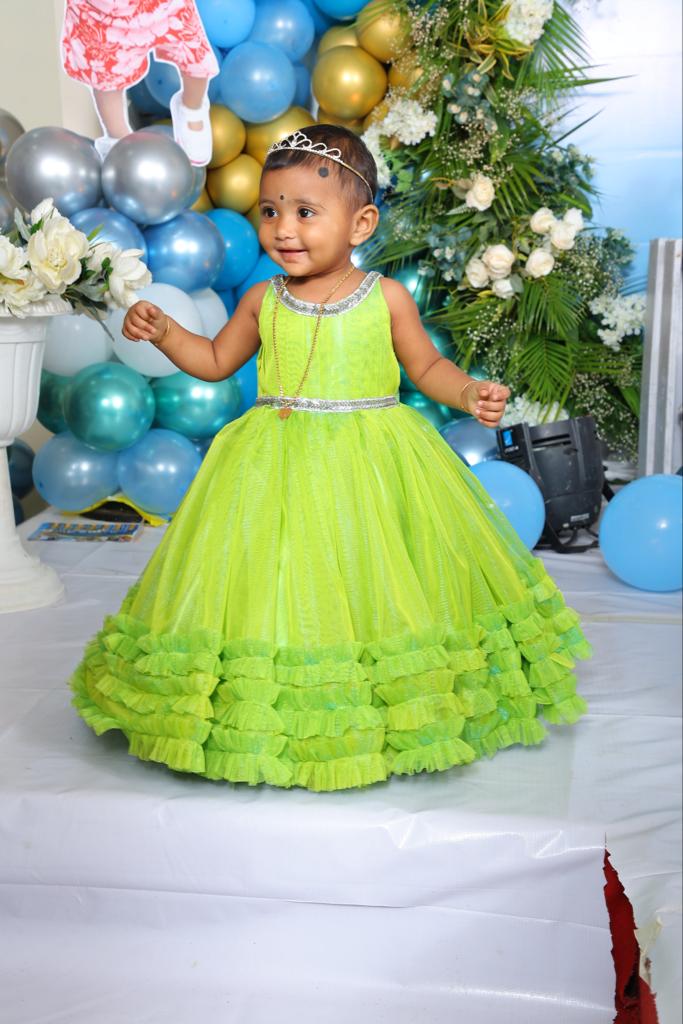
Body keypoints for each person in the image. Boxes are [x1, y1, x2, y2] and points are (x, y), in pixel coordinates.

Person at [69, 125, 593, 793]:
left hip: (371, 459)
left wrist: (466, 392)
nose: (283, 229)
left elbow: (425, 366)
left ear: (360, 223)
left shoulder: (384, 297)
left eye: (305, 212)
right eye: (270, 211)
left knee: (373, 571)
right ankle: (275, 703)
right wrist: (169, 333)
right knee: (277, 577)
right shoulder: (262, 300)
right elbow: (215, 361)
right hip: (274, 463)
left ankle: (392, 698)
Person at [60, 0, 219, 164]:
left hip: (164, 5)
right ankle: (117, 138)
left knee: (196, 59)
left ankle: (191, 108)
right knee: (105, 78)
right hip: (105, 13)